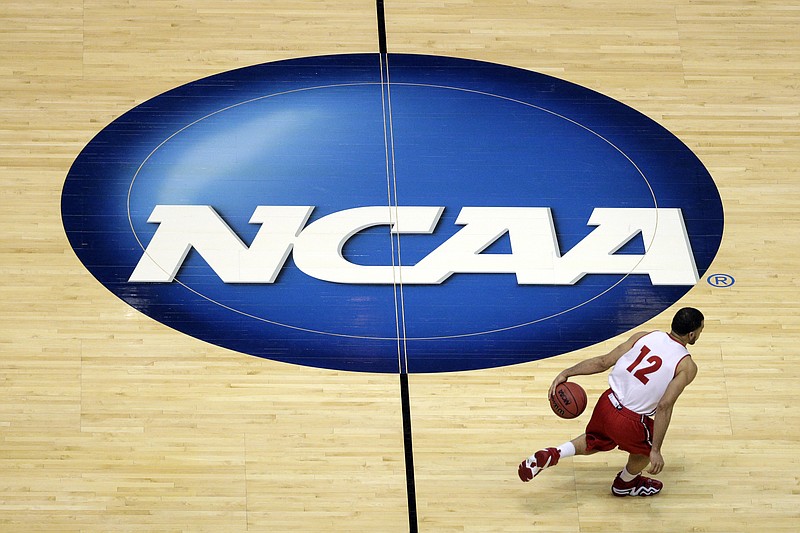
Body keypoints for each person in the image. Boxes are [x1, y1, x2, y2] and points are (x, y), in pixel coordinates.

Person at [518, 307, 704, 497]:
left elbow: (603, 362)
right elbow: (665, 405)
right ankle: (626, 483)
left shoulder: (645, 336)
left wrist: (567, 373)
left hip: (607, 402)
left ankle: (556, 453)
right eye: (700, 330)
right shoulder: (687, 366)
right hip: (631, 420)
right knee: (644, 452)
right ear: (691, 334)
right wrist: (655, 450)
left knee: (595, 440)